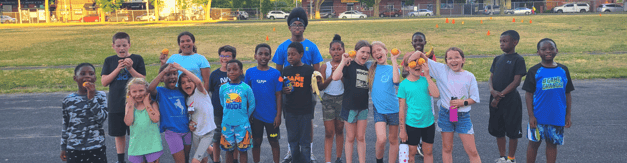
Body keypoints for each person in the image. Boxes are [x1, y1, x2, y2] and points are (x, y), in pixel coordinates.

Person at [272, 7, 323, 162]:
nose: (297, 28)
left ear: (304, 27)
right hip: (290, 93)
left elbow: (317, 72)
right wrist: (282, 88)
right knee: (291, 123)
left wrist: (313, 87)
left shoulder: (312, 46)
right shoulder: (283, 47)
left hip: (306, 93)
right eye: (294, 25)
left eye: (300, 25)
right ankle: (290, 151)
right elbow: (278, 73)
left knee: (308, 122)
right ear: (289, 27)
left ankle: (310, 151)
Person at [418, 47, 481, 163]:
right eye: (449, 58)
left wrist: (463, 102)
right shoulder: (442, 70)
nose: (453, 61)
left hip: (463, 116)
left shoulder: (469, 76)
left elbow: (475, 98)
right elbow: (420, 56)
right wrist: (424, 52)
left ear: (463, 60)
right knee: (447, 148)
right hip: (446, 114)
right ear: (446, 61)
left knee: (472, 151)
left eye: (457, 57)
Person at [523, 38, 574, 163]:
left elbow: (567, 93)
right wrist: (531, 116)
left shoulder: (563, 70)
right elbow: (528, 94)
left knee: (552, 145)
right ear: (538, 52)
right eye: (544, 49)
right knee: (534, 144)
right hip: (539, 117)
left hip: (557, 116)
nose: (548, 51)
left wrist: (568, 115)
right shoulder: (534, 71)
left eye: (551, 48)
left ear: (556, 50)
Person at [101, 32, 146, 163]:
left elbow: (142, 80)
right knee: (119, 133)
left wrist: (130, 68)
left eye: (124, 45)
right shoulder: (109, 61)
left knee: (135, 132)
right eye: (118, 45)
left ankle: (137, 157)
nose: (122, 48)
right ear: (113, 46)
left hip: (136, 103)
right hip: (116, 103)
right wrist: (117, 68)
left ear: (129, 45)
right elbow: (104, 82)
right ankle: (121, 159)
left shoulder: (137, 59)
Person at [489, 30, 527, 163]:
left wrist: (499, 96)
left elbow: (516, 81)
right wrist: (492, 90)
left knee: (512, 131)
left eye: (505, 41)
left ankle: (511, 158)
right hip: (494, 99)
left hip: (510, 101)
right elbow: (491, 77)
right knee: (498, 130)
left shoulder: (518, 59)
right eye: (500, 41)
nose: (501, 44)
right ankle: (502, 156)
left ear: (515, 42)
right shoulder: (497, 59)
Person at [332, 40, 371, 163]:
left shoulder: (367, 66)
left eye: (368, 53)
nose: (365, 55)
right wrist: (343, 61)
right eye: (362, 52)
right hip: (350, 107)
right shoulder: (349, 65)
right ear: (356, 51)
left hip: (363, 107)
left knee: (361, 137)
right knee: (350, 137)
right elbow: (335, 77)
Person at [60, 63, 108, 163]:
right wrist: (63, 146)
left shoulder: (101, 96)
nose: (87, 76)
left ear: (95, 78)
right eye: (83, 73)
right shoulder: (68, 99)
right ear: (75, 78)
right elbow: (66, 124)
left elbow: (101, 118)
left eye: (91, 74)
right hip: (74, 148)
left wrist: (91, 98)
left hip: (96, 147)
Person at [398, 52, 440, 163]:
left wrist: (427, 76)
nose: (417, 65)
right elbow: (401, 108)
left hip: (428, 123)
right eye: (412, 63)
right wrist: (402, 130)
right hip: (412, 124)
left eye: (419, 62)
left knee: (428, 152)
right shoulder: (404, 85)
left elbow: (436, 94)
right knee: (411, 153)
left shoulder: (426, 80)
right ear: (406, 67)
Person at [245, 43, 283, 163]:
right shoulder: (250, 72)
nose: (263, 56)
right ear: (255, 56)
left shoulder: (276, 73)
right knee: (256, 142)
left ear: (270, 57)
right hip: (255, 117)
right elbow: (246, 94)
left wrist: (278, 115)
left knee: (274, 142)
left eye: (266, 54)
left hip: (271, 117)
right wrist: (247, 115)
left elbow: (279, 95)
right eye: (260, 53)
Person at [282, 42, 317, 163]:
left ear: (301, 54)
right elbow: (280, 83)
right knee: (293, 142)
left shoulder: (309, 70)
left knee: (305, 143)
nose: (290, 57)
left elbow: (314, 87)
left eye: (293, 54)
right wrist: (283, 90)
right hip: (290, 111)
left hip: (305, 111)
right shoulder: (285, 71)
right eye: (288, 54)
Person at [175, 63, 217, 163]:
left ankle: (214, 156)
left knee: (195, 160)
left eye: (189, 81)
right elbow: (192, 115)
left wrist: (181, 68)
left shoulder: (201, 92)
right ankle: (215, 155)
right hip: (196, 132)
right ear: (180, 86)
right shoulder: (187, 99)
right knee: (203, 157)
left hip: (207, 132)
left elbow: (198, 82)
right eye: (183, 82)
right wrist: (190, 124)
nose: (187, 84)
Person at [148, 63, 191, 163]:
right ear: (162, 78)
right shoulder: (160, 91)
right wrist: (163, 71)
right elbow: (150, 88)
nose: (172, 77)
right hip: (172, 132)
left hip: (187, 130)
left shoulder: (182, 90)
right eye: (168, 74)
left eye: (175, 74)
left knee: (186, 158)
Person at [403, 32, 435, 157]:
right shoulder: (408, 56)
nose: (418, 43)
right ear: (412, 43)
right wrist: (414, 71)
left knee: (428, 116)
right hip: (413, 92)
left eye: (420, 41)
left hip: (427, 92)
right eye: (415, 41)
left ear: (425, 42)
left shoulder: (430, 57)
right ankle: (414, 143)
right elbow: (404, 74)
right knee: (414, 116)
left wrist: (427, 64)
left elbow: (433, 73)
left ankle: (423, 143)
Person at [209, 45, 243, 163]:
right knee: (217, 137)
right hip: (218, 111)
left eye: (228, 56)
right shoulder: (214, 74)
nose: (224, 58)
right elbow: (211, 91)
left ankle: (235, 159)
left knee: (234, 136)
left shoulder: (238, 74)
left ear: (233, 58)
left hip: (234, 111)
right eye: (222, 56)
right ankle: (216, 159)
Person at [368, 41, 401, 163]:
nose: (377, 53)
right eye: (374, 52)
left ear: (386, 51)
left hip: (393, 109)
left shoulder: (393, 68)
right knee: (381, 139)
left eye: (379, 50)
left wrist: (394, 60)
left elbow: (396, 81)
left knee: (393, 140)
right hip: (379, 110)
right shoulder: (371, 68)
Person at [219, 59, 255, 163]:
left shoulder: (246, 88)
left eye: (235, 69)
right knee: (228, 151)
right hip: (227, 124)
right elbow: (223, 103)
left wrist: (245, 117)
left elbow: (252, 104)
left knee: (243, 151)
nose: (231, 72)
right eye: (229, 70)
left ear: (241, 71)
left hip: (242, 125)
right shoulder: (223, 88)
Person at [318, 34, 345, 163]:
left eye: (339, 49)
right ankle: (328, 160)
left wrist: (341, 74)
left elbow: (349, 86)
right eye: (333, 49)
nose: (336, 52)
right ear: (329, 51)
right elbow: (321, 87)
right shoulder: (325, 66)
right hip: (328, 99)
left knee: (340, 129)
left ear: (343, 51)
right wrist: (331, 76)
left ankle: (338, 157)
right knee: (329, 131)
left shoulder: (346, 64)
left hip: (342, 99)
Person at [124, 78, 162, 163]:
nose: (138, 94)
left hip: (152, 144)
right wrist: (130, 105)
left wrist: (147, 104)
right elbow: (128, 122)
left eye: (141, 90)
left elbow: (155, 119)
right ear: (129, 93)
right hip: (136, 145)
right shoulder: (129, 106)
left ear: (147, 91)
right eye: (134, 92)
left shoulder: (152, 103)